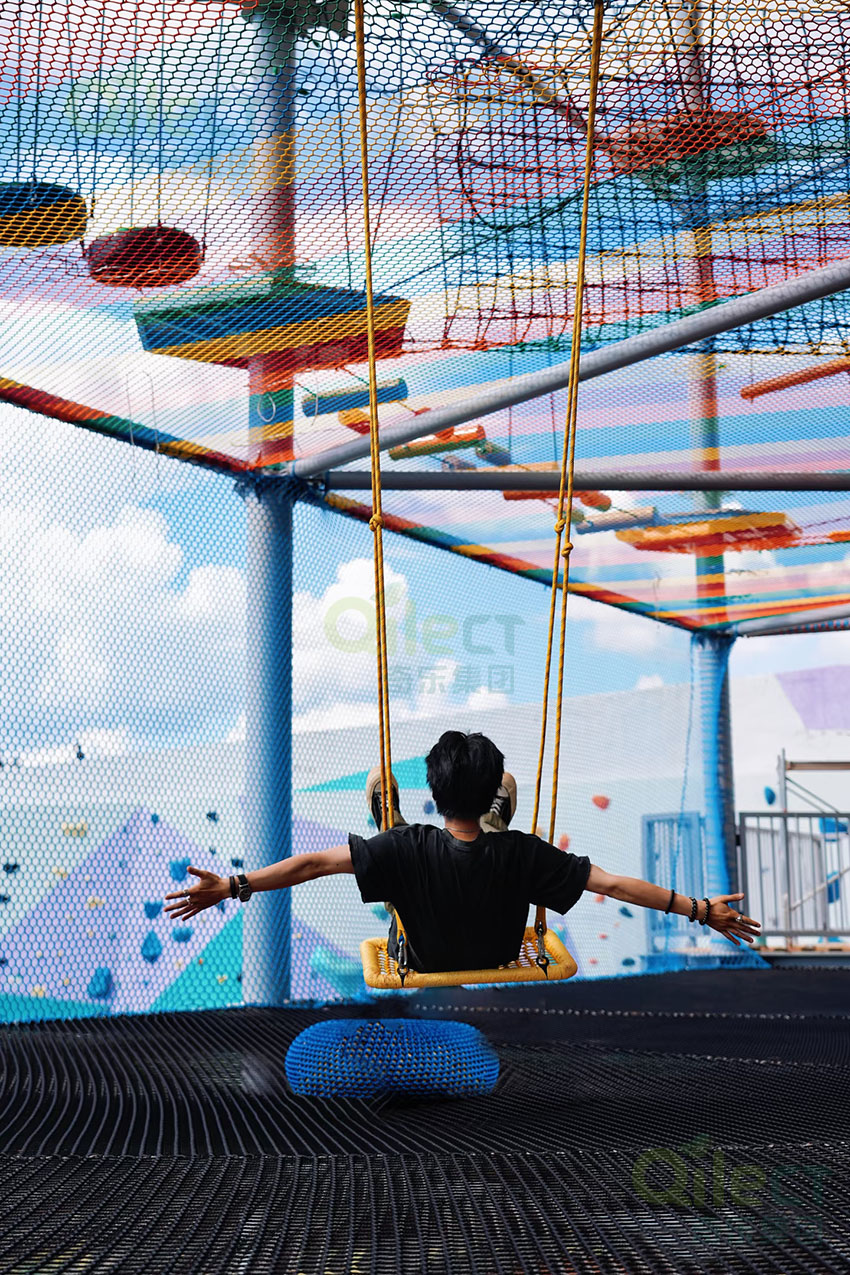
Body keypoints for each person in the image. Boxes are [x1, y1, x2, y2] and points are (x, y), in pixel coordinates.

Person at [164, 730, 761, 969]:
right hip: (497, 950)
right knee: (483, 847)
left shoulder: (408, 849)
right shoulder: (526, 854)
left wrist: (234, 885)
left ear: (434, 792)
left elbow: (314, 864)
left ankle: (388, 819)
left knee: (393, 854)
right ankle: (484, 819)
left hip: (420, 956)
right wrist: (700, 910)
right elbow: (613, 884)